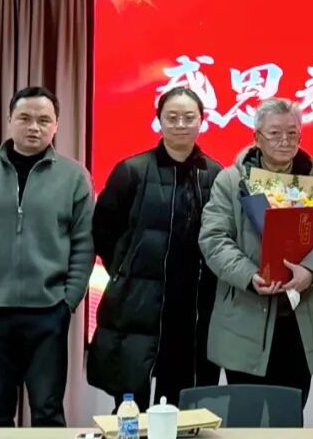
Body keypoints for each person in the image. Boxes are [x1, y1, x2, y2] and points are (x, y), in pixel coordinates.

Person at [0, 86, 94, 427]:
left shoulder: (74, 177)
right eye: (25, 118)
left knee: (48, 412)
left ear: (56, 125)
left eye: (44, 120)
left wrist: (68, 301)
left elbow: (84, 245)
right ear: (10, 120)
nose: (34, 127)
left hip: (48, 312)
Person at [198, 98, 313, 407]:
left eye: (292, 134)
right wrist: (250, 275)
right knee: (245, 417)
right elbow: (214, 239)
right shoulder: (231, 181)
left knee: (290, 415)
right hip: (245, 319)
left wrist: (310, 271)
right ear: (257, 138)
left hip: (299, 323)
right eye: (275, 133)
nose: (284, 141)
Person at [88, 87, 225, 410]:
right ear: (159, 121)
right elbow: (103, 230)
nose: (181, 124)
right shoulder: (132, 171)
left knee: (182, 407)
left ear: (202, 121)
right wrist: (125, 269)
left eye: (189, 117)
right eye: (172, 117)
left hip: (192, 307)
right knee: (130, 404)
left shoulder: (215, 175)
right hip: (138, 303)